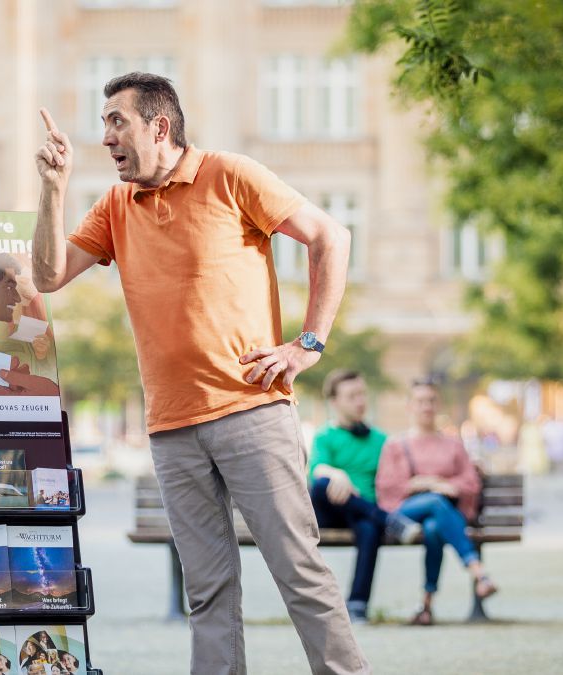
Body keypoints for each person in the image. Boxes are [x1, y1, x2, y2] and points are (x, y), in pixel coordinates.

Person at [32, 72, 368, 674]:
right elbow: (49, 275)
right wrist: (53, 189)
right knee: (208, 592)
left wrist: (307, 345)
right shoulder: (115, 205)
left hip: (251, 411)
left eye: (116, 121)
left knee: (300, 574)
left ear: (159, 126)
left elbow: (329, 236)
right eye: (103, 122)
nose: (105, 135)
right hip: (171, 427)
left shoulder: (230, 175)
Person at [375, 379, 499, 626]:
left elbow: (470, 482)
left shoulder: (452, 444)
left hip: (442, 515)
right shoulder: (396, 445)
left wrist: (448, 486)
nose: (426, 406)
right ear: (410, 406)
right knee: (433, 501)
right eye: (420, 401)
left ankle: (426, 606)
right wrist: (427, 484)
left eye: (431, 400)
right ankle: (478, 571)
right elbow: (387, 487)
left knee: (434, 528)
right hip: (406, 514)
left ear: (438, 404)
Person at [309, 370, 421, 624]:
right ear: (335, 402)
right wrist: (338, 474)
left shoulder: (382, 440)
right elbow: (317, 470)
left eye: (362, 394)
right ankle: (389, 520)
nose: (360, 401)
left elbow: (407, 472)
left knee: (370, 528)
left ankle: (358, 604)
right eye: (352, 396)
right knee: (322, 484)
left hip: (363, 513)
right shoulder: (325, 436)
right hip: (329, 512)